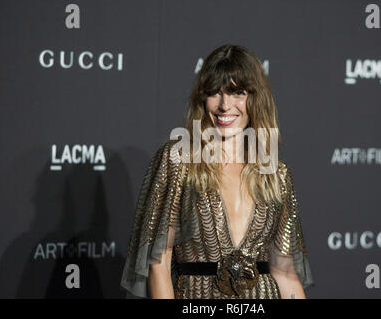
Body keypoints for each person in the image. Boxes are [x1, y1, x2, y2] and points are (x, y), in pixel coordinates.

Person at [120, 44, 314, 299]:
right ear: (202, 98)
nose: (225, 105)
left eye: (237, 93)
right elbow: (159, 263)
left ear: (256, 98)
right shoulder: (178, 159)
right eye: (215, 93)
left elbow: (286, 274)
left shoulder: (276, 173)